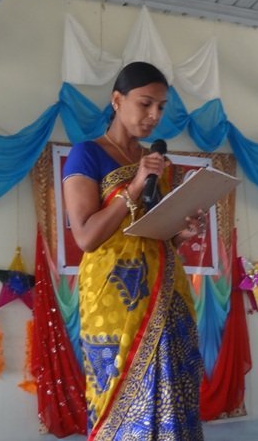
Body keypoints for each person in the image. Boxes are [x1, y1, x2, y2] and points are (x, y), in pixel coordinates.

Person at [63, 61, 204, 441]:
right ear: (116, 100)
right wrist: (135, 187)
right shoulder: (87, 155)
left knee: (175, 392)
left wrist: (182, 233)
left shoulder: (158, 165)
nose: (154, 115)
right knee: (122, 402)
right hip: (115, 300)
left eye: (161, 107)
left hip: (167, 293)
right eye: (145, 104)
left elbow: (154, 237)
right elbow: (86, 237)